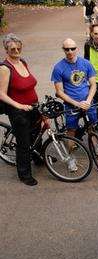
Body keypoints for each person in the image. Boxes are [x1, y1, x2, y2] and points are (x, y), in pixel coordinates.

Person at [51, 38, 97, 172]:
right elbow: (59, 92)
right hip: (72, 105)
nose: (70, 51)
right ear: (63, 50)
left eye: (72, 48)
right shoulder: (58, 67)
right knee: (71, 132)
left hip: (87, 102)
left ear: (77, 48)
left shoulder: (86, 63)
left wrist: (88, 101)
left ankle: (97, 149)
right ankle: (70, 158)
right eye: (67, 49)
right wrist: (77, 103)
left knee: (92, 127)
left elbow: (93, 84)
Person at [0, 34, 40, 186]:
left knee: (37, 134)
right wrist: (19, 106)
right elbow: (1, 94)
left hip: (33, 106)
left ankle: (38, 158)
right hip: (18, 111)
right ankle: (25, 175)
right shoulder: (5, 68)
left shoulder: (22, 61)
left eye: (18, 47)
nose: (16, 50)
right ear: (6, 50)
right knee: (23, 143)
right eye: (12, 49)